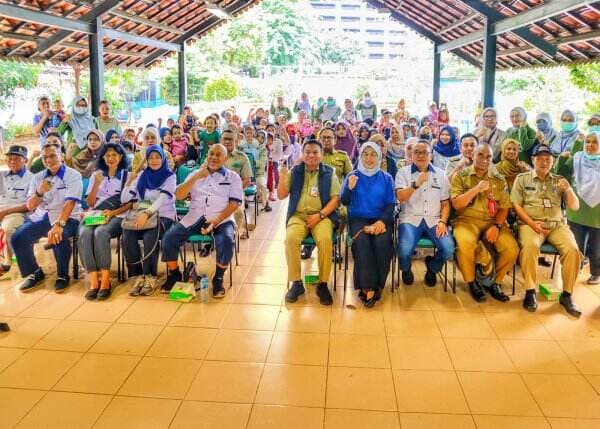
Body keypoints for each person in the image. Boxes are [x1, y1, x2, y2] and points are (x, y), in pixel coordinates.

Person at [160, 144, 242, 297]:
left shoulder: (232, 177)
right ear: (207, 155)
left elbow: (234, 204)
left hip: (221, 218)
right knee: (168, 238)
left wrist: (216, 220)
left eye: (219, 155)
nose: (214, 157)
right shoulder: (195, 174)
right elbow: (179, 195)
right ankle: (175, 274)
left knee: (226, 240)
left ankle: (218, 278)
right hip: (195, 217)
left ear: (225, 159)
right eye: (211, 153)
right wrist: (196, 177)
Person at [511, 144, 581, 316]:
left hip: (557, 225)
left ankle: (567, 294)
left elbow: (575, 206)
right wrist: (533, 224)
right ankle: (529, 292)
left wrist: (568, 189)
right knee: (530, 247)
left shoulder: (559, 180)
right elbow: (516, 206)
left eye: (548, 159)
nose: (544, 162)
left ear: (553, 161)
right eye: (540, 159)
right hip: (531, 224)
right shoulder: (522, 179)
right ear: (533, 160)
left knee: (573, 250)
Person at [451, 144, 518, 303]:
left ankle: (496, 283)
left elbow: (504, 208)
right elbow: (457, 204)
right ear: (472, 155)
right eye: (480, 155)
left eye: (488, 157)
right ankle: (472, 282)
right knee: (465, 243)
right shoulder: (461, 176)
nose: (484, 160)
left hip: (491, 221)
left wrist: (497, 226)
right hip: (466, 221)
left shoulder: (498, 179)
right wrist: (476, 189)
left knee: (511, 248)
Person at [12, 143, 82, 292]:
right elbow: (30, 206)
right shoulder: (38, 178)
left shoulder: (73, 175)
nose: (49, 160)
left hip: (68, 216)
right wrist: (39, 192)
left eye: (52, 155)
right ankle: (34, 272)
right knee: (18, 237)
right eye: (45, 157)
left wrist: (59, 224)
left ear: (61, 156)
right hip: (43, 216)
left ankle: (62, 275)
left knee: (59, 235)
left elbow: (70, 203)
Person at [279, 139, 340, 306]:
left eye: (315, 152)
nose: (311, 155)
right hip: (298, 216)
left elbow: (336, 199)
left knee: (325, 241)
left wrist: (320, 216)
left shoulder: (329, 172)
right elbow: (281, 195)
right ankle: (297, 282)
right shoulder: (295, 171)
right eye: (308, 152)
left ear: (321, 155)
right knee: (290, 239)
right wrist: (282, 175)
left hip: (322, 217)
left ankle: (322, 284)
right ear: (302, 154)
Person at [341, 142, 395, 306]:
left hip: (381, 219)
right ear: (361, 156)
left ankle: (378, 284)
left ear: (378, 157)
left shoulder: (386, 178)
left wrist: (381, 221)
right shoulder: (353, 175)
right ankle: (368, 287)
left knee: (382, 242)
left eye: (373, 154)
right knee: (363, 241)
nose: (369, 158)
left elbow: (391, 204)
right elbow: (344, 201)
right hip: (359, 219)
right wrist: (349, 188)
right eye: (366, 154)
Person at [396, 140, 454, 287]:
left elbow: (445, 204)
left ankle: (433, 268)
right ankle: (406, 268)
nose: (420, 155)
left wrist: (443, 221)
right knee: (404, 250)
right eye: (417, 152)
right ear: (411, 155)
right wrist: (416, 184)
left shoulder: (441, 175)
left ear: (431, 155)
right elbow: (401, 197)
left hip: (434, 220)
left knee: (448, 249)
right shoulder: (403, 172)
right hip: (410, 218)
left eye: (424, 152)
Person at [122, 145, 176, 296]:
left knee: (150, 235)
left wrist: (147, 213)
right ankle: (137, 275)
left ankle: (150, 275)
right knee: (127, 234)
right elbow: (126, 199)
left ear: (163, 158)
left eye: (157, 157)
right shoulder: (142, 175)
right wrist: (129, 182)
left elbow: (162, 199)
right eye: (150, 158)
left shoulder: (170, 176)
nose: (154, 160)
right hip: (141, 215)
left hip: (164, 215)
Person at [80, 143, 131, 300]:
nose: (111, 158)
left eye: (114, 155)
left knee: (100, 232)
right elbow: (89, 202)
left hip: (117, 215)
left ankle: (106, 280)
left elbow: (131, 203)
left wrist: (113, 212)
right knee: (84, 233)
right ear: (102, 157)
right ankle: (94, 280)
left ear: (121, 157)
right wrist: (96, 183)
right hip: (96, 214)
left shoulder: (127, 176)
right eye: (107, 155)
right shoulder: (96, 175)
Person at [555, 132, 600, 285]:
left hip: (597, 215)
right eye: (588, 141)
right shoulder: (577, 158)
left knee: (597, 249)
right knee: (575, 245)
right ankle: (574, 270)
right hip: (577, 211)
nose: (590, 145)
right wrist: (561, 159)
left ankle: (596, 273)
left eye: (595, 142)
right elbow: (561, 175)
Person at [0, 145, 34, 275]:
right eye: (9, 159)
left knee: (7, 229)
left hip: (18, 212)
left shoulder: (32, 178)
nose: (12, 161)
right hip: (2, 210)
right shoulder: (1, 175)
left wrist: (4, 213)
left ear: (25, 160)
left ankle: (4, 264)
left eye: (16, 159)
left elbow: (29, 206)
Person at [221, 129, 253, 238]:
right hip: (215, 193)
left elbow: (247, 180)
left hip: (235, 194)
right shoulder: (213, 155)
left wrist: (232, 192)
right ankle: (210, 241)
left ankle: (234, 235)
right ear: (221, 140)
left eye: (230, 139)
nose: (227, 142)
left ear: (236, 141)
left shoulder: (242, 157)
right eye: (225, 139)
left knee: (238, 211)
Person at [59, 96, 97, 161]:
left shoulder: (92, 120)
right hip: (73, 154)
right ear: (74, 105)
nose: (81, 107)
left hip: (89, 154)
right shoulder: (70, 119)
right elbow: (59, 133)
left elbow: (97, 136)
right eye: (78, 105)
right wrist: (64, 122)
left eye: (84, 105)